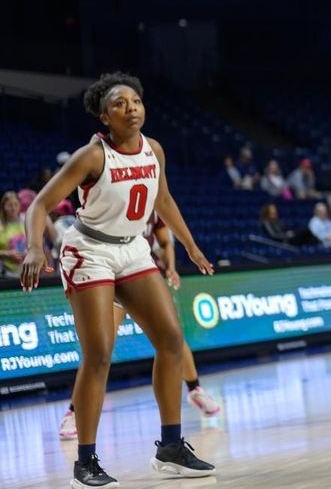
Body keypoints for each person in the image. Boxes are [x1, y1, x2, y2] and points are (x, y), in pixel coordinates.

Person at [19, 72, 216, 486]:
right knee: (100, 354)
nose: (131, 108)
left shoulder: (154, 150)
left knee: (171, 340)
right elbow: (38, 205)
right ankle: (85, 463)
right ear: (105, 116)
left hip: (132, 249)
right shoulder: (91, 156)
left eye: (136, 101)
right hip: (90, 250)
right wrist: (36, 248)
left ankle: (171, 447)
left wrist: (191, 246)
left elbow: (162, 200)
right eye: (120, 103)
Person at [60, 212, 221, 440]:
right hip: (108, 273)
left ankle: (195, 389)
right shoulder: (111, 197)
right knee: (99, 350)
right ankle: (74, 412)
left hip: (140, 273)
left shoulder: (151, 203)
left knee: (172, 338)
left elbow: (165, 242)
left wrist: (172, 268)